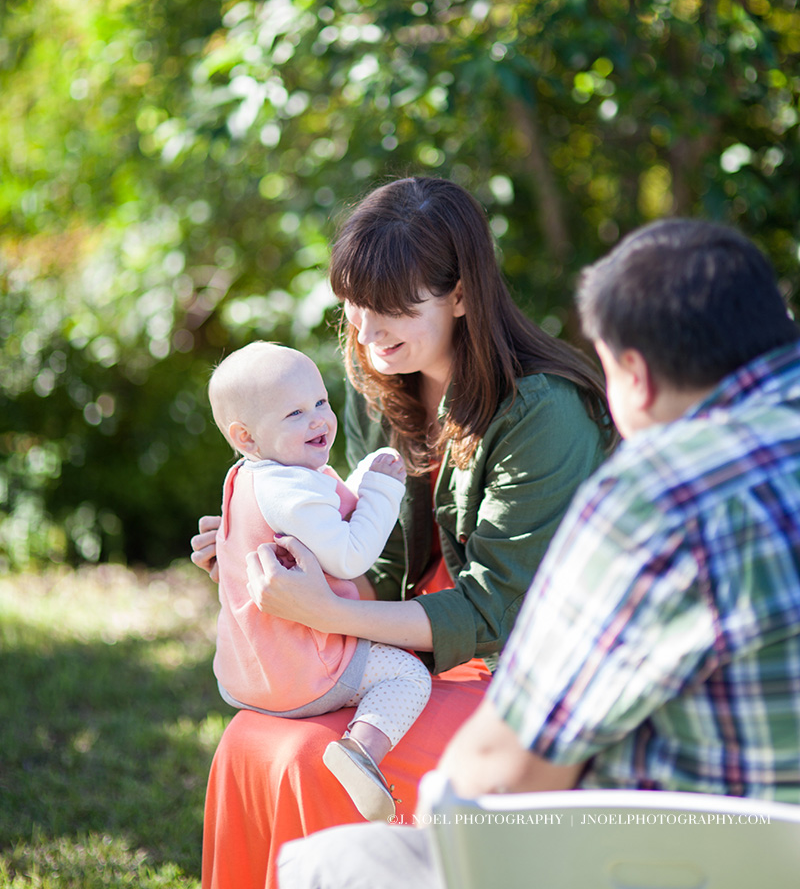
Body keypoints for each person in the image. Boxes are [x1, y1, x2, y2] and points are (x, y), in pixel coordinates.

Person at [276, 217, 800, 889]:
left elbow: (506, 767)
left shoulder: (656, 494)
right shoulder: (380, 391)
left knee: (330, 866)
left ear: (632, 377)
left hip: (676, 857)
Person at [191, 175, 610, 889]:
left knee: (307, 758)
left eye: (392, 310)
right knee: (249, 737)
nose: (366, 331)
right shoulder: (378, 385)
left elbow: (496, 611)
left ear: (461, 296)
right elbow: (379, 568)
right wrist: (278, 558)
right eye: (354, 306)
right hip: (412, 664)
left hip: (526, 684)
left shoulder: (544, 412)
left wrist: (328, 611)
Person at [207, 341, 431, 821]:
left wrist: (361, 479)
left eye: (321, 402)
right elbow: (350, 556)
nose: (318, 420)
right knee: (408, 675)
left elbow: (324, 518)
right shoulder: (291, 491)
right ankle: (360, 752)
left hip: (250, 674)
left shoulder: (249, 479)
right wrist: (385, 492)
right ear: (246, 436)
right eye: (294, 413)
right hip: (305, 671)